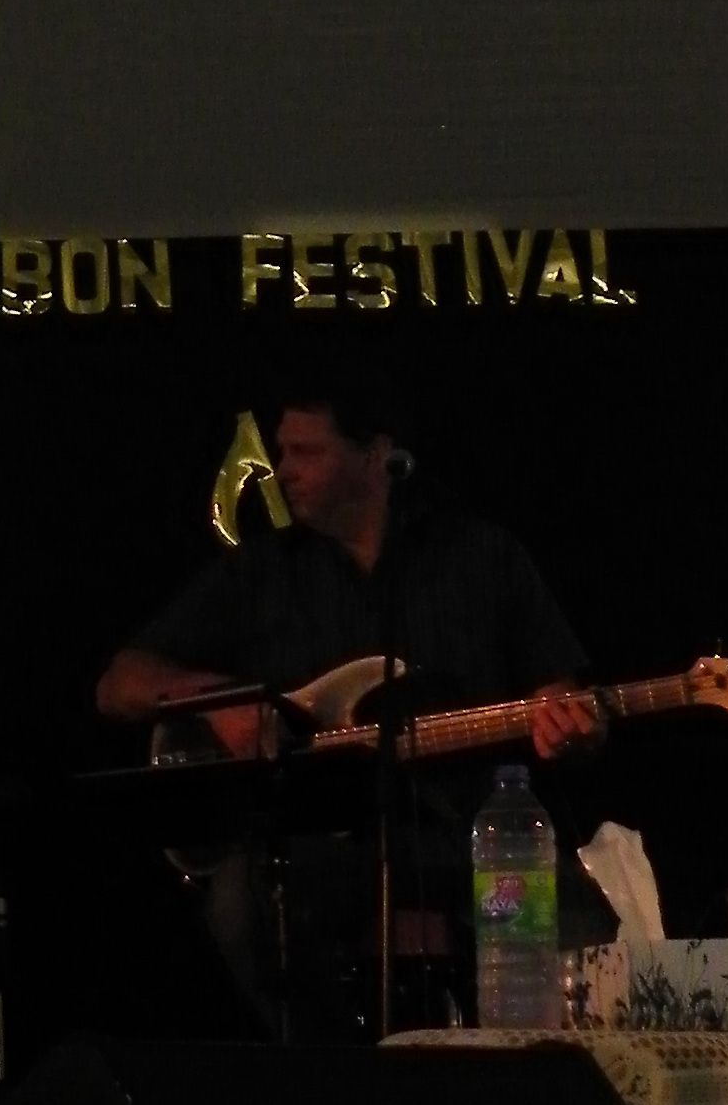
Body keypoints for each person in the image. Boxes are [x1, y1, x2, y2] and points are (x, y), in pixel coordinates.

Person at [94, 382, 599, 1032]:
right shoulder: (263, 572)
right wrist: (217, 702)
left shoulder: (483, 555)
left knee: (578, 917)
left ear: (376, 453)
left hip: (472, 839)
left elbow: (559, 694)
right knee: (241, 903)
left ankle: (522, 1073)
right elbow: (118, 684)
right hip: (318, 852)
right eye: (283, 452)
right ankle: (332, 1068)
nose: (283, 471)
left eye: (307, 453)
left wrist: (569, 728)